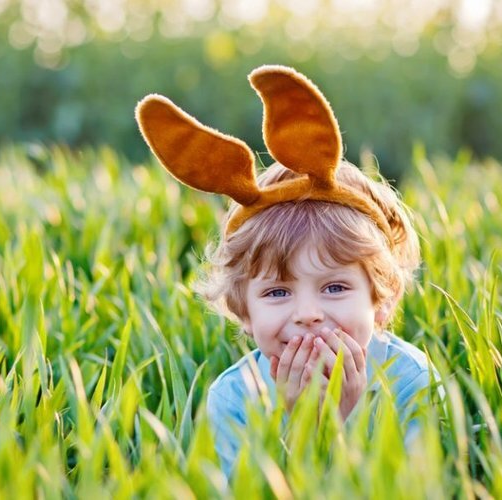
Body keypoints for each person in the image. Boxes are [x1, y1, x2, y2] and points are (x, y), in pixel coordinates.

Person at [134, 65, 441, 476]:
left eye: (334, 287)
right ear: (244, 312)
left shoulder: (408, 379)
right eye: (278, 292)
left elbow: (417, 486)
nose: (308, 313)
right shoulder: (234, 397)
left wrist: (342, 420)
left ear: (381, 301)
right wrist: (302, 430)